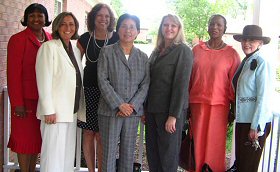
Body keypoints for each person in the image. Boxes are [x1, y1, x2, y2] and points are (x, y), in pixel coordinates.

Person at [97, 13, 149, 172]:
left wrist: (131, 106)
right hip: (110, 111)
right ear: (118, 30)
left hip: (132, 114)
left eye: (132, 27)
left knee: (128, 155)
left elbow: (145, 84)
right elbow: (102, 80)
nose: (128, 30)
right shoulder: (107, 52)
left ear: (138, 31)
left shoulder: (142, 57)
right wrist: (119, 104)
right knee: (108, 155)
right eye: (124, 26)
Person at [189, 14, 240, 172]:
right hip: (196, 103)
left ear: (225, 28)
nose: (215, 27)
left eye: (219, 25)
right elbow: (188, 78)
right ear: (208, 26)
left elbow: (234, 84)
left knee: (215, 144)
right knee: (196, 142)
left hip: (219, 106)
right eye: (212, 24)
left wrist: (233, 109)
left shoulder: (232, 54)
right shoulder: (197, 50)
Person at [35, 12, 86, 172]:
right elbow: (43, 81)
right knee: (52, 157)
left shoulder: (76, 50)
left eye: (71, 24)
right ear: (57, 26)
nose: (68, 28)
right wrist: (48, 110)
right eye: (63, 24)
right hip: (54, 114)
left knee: (66, 157)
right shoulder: (49, 47)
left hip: (71, 112)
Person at [145, 14, 193, 172]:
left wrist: (173, 115)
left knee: (168, 156)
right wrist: (145, 110)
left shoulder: (183, 51)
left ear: (179, 29)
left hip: (169, 113)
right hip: (152, 110)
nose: (169, 28)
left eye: (173, 25)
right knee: (153, 153)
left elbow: (181, 85)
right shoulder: (157, 51)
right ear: (161, 27)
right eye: (166, 25)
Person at [7, 3, 52, 172]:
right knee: (24, 142)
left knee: (35, 142)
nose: (36, 19)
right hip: (25, 102)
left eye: (40, 15)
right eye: (32, 15)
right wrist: (17, 102)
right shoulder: (17, 40)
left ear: (46, 19)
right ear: (26, 19)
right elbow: (13, 74)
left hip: (44, 102)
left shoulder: (50, 38)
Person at [76, 3, 119, 172]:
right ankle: (91, 170)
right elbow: (75, 64)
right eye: (100, 15)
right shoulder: (85, 38)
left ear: (111, 19)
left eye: (107, 16)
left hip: (108, 91)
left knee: (101, 134)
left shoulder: (116, 37)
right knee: (88, 133)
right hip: (89, 89)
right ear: (93, 18)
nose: (103, 19)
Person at [231, 25, 274, 172]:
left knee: (248, 167)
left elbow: (264, 97)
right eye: (244, 40)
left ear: (260, 43)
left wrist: (256, 126)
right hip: (243, 121)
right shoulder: (246, 61)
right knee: (242, 165)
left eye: (252, 40)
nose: (246, 43)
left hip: (254, 125)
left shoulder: (262, 62)